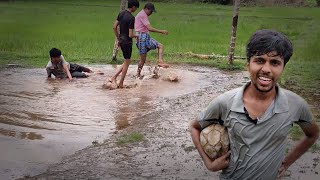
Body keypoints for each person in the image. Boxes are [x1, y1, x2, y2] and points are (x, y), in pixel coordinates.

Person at [189, 29, 319, 180]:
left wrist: (286, 163)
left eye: (275, 63)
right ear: (248, 65)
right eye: (259, 60)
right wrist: (209, 164)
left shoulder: (296, 105)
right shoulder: (225, 102)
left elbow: (313, 134)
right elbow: (194, 127)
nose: (266, 69)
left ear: (283, 68)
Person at [108, 0, 139, 89]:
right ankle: (120, 83)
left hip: (122, 40)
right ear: (133, 7)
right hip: (127, 42)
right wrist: (137, 36)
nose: (136, 9)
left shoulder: (121, 13)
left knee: (127, 61)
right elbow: (130, 34)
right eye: (136, 8)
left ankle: (114, 77)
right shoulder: (131, 18)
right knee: (127, 62)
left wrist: (118, 38)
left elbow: (114, 27)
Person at [135, 2, 169, 78]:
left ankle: (160, 62)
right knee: (143, 60)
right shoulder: (143, 15)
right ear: (147, 9)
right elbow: (150, 28)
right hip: (142, 38)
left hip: (144, 37)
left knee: (160, 46)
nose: (151, 13)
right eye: (151, 11)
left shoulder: (142, 14)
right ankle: (138, 74)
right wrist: (161, 31)